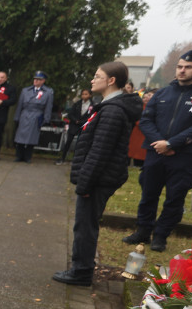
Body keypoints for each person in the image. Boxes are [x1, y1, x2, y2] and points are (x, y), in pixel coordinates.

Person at [53, 62, 143, 286]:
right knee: (85, 223)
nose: (92, 80)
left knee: (85, 225)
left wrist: (84, 184)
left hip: (98, 179)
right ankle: (80, 268)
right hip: (98, 177)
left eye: (97, 76)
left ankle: (81, 272)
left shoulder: (112, 111)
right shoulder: (107, 106)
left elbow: (100, 152)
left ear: (111, 80)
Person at [123, 50, 192, 251]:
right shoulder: (162, 93)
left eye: (188, 67)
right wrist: (159, 142)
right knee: (148, 194)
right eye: (179, 67)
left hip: (184, 156)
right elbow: (146, 120)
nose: (182, 71)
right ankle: (143, 231)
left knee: (175, 198)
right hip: (155, 152)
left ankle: (161, 235)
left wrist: (172, 144)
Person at [13, 71, 54, 163]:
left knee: (32, 137)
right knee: (20, 136)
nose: (36, 81)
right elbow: (20, 105)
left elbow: (48, 106)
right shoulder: (25, 90)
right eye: (35, 79)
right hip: (24, 114)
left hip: (36, 115)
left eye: (38, 80)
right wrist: (17, 117)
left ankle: (28, 156)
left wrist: (46, 118)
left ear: (43, 81)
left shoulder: (48, 92)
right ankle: (19, 156)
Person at [56, 88, 96, 165]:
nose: (84, 96)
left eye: (86, 94)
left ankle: (76, 160)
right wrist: (75, 120)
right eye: (83, 94)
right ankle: (62, 158)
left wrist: (84, 122)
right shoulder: (77, 104)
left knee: (80, 143)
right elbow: (71, 113)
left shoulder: (92, 105)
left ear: (90, 95)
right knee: (68, 141)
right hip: (74, 125)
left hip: (84, 125)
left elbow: (92, 116)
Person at [128, 89, 156, 166]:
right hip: (137, 135)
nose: (146, 97)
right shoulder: (139, 108)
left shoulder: (156, 108)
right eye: (144, 96)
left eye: (149, 95)